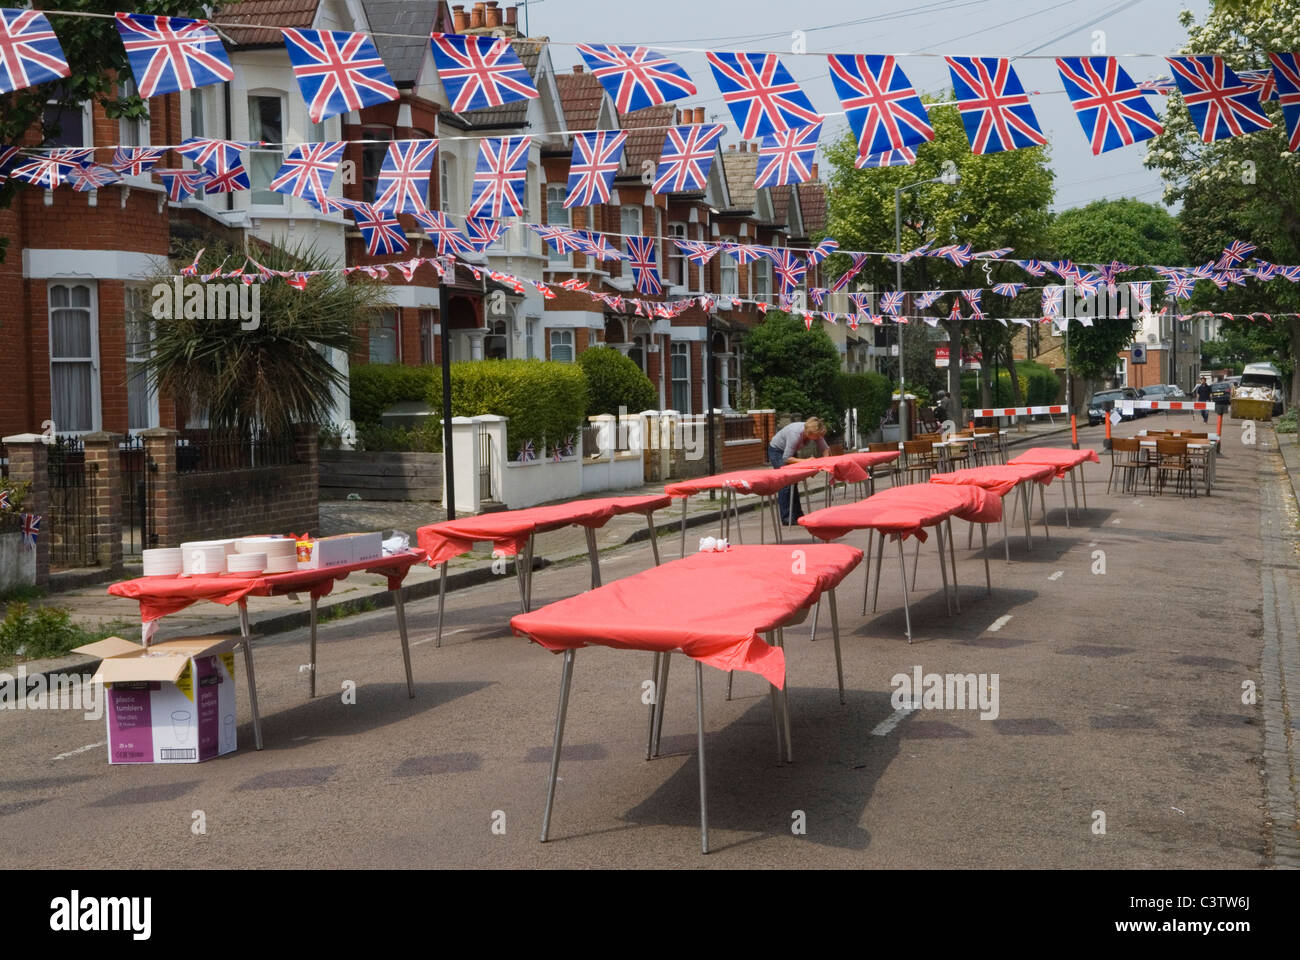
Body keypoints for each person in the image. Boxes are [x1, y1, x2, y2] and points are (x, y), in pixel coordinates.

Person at [769, 416, 829, 525]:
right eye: (815, 437)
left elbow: (825, 449)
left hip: (789, 452)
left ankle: (797, 515)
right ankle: (786, 517)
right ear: (809, 433)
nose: (817, 439)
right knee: (785, 483)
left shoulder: (816, 430)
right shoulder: (795, 434)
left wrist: (824, 463)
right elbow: (786, 458)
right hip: (778, 451)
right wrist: (807, 461)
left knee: (794, 482)